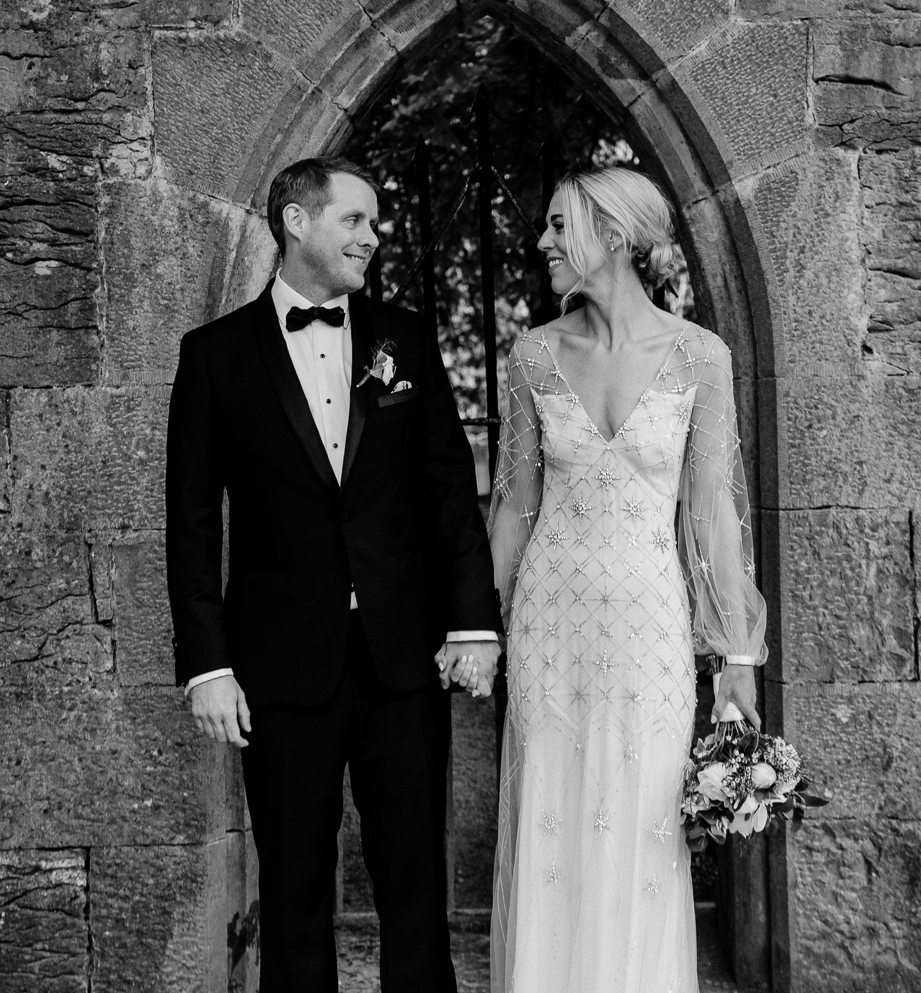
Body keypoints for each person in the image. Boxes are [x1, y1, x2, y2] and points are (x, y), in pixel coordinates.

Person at [165, 156, 503, 993]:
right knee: (292, 892)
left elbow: (449, 496)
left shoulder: (406, 341)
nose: (372, 236)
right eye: (355, 220)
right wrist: (207, 664)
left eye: (377, 223)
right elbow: (193, 521)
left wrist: (473, 623)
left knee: (417, 891)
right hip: (278, 667)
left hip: (402, 662)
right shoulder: (214, 358)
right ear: (297, 222)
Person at [487, 166, 768, 993]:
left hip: (650, 628)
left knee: (644, 828)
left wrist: (736, 656)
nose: (541, 242)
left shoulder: (700, 357)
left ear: (611, 235)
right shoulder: (533, 353)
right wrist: (473, 626)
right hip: (549, 622)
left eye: (556, 224)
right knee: (552, 820)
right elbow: (514, 507)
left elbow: (714, 513)